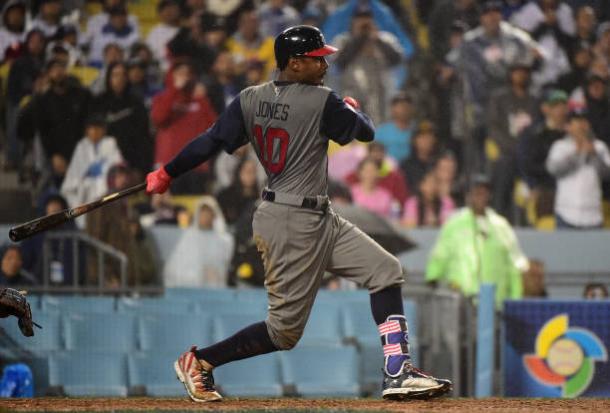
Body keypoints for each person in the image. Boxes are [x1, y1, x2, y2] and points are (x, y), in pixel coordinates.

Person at [145, 25, 451, 402]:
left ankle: (397, 371)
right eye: (316, 58)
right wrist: (354, 109)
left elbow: (208, 142)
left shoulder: (250, 98)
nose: (325, 64)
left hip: (316, 215)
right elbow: (367, 133)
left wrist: (166, 173)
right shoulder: (321, 100)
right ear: (293, 63)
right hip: (290, 222)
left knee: (385, 271)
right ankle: (200, 361)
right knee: (283, 332)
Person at [426, 175, 529, 308]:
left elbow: (514, 264)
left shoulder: (501, 226)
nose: (480, 197)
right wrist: (432, 276)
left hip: (495, 302)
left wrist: (516, 299)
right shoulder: (455, 224)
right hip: (461, 302)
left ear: (489, 196)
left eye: (484, 193)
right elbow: (441, 253)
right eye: (476, 193)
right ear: (469, 196)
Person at [151, 59, 217, 194]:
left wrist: (203, 99)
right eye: (180, 73)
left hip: (196, 168)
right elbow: (158, 118)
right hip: (168, 166)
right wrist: (174, 90)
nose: (184, 77)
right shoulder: (162, 98)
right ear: (171, 75)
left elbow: (214, 127)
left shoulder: (199, 100)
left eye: (187, 73)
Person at [486, 62, 539, 219]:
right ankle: (498, 217)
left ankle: (527, 221)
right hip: (506, 153)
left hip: (530, 155)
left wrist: (526, 150)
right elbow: (493, 128)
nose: (520, 75)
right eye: (517, 72)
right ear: (510, 75)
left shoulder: (534, 99)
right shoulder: (499, 98)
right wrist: (515, 148)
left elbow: (537, 128)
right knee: (504, 173)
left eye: (524, 72)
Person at [546, 109, 610, 229]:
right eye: (577, 121)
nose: (581, 125)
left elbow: (607, 175)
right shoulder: (560, 146)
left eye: (584, 121)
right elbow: (553, 170)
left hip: (593, 215)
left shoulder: (599, 147)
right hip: (566, 214)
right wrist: (578, 153)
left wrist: (594, 155)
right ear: (568, 127)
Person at [89, 61, 152, 177]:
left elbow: (144, 139)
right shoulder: (97, 103)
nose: (120, 79)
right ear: (108, 78)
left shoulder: (136, 103)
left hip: (132, 165)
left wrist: (141, 168)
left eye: (123, 75)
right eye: (115, 75)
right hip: (104, 164)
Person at [519, 89, 569, 220]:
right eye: (555, 106)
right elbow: (525, 164)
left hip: (570, 186)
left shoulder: (573, 133)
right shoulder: (533, 134)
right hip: (544, 187)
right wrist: (533, 186)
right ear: (545, 109)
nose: (561, 109)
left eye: (563, 105)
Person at [60, 114, 123, 210]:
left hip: (105, 191)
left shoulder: (110, 143)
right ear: (87, 130)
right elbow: (73, 178)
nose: (94, 132)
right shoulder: (81, 146)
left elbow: (118, 165)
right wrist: (86, 172)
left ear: (103, 130)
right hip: (86, 194)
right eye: (91, 129)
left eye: (97, 129)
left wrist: (104, 168)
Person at [374, 93, 416, 163]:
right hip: (389, 171)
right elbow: (374, 153)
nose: (403, 109)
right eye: (399, 106)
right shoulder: (382, 131)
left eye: (406, 106)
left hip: (412, 171)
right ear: (392, 109)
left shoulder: (416, 130)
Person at [146, 0, 182, 72]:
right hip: (162, 70)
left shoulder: (186, 30)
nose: (170, 13)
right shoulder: (155, 33)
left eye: (173, 9)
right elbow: (151, 56)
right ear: (160, 14)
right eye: (167, 11)